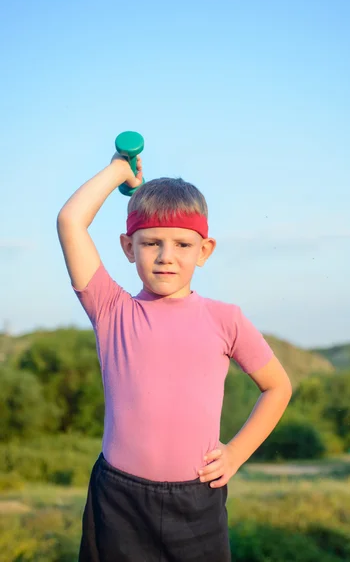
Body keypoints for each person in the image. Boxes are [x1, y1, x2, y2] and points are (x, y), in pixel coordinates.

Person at [57, 150, 292, 562]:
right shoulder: (112, 309)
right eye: (151, 243)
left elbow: (278, 387)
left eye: (183, 244)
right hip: (118, 500)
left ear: (204, 250)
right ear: (129, 247)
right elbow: (70, 221)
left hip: (196, 500)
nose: (167, 256)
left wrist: (235, 453)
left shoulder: (226, 319)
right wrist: (118, 172)